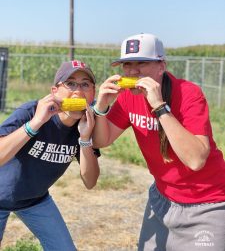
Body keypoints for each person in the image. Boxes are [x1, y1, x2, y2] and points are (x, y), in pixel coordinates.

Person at [92, 33, 225, 251]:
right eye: (127, 64)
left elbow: (195, 160)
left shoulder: (189, 94)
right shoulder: (128, 97)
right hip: (162, 199)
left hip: (207, 204)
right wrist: (101, 107)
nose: (133, 71)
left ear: (161, 66)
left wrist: (160, 106)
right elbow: (102, 140)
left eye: (142, 63)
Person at [0, 59, 100, 251]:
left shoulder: (87, 125)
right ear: (54, 91)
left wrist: (85, 138)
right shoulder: (31, 112)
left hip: (36, 200)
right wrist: (35, 124)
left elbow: (90, 181)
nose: (78, 91)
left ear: (93, 93)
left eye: (85, 84)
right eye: (70, 83)